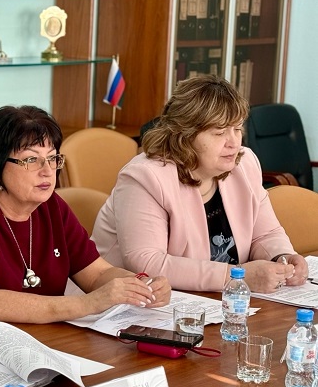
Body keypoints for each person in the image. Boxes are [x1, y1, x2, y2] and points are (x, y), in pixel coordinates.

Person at [0, 105, 170, 332]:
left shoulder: (51, 207)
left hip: (41, 338)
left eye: (52, 158)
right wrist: (88, 303)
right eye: (31, 160)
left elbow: (96, 274)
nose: (47, 171)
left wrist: (141, 284)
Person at [92, 75, 309, 293]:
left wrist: (282, 257)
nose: (234, 143)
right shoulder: (146, 177)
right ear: (185, 135)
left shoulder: (245, 164)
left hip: (214, 300)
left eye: (237, 129)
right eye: (219, 132)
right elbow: (147, 262)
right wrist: (236, 276)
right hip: (124, 302)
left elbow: (266, 233)